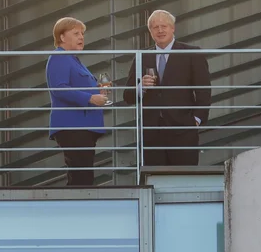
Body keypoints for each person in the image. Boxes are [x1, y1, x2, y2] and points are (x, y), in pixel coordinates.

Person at [123, 10, 211, 166]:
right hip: (152, 133)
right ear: (150, 32)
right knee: (154, 181)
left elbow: (204, 90)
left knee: (184, 180)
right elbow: (127, 96)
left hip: (183, 130)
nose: (160, 30)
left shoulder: (192, 53)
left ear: (173, 28)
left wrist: (196, 120)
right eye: (155, 27)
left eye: (164, 26)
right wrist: (140, 87)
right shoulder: (141, 56)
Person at [47, 17, 109, 186]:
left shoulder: (73, 59)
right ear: (62, 37)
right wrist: (90, 98)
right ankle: (77, 210)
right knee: (80, 177)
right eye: (75, 33)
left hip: (84, 126)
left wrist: (98, 91)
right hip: (73, 126)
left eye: (82, 33)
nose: (81, 37)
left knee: (83, 175)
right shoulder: (59, 57)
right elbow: (59, 88)